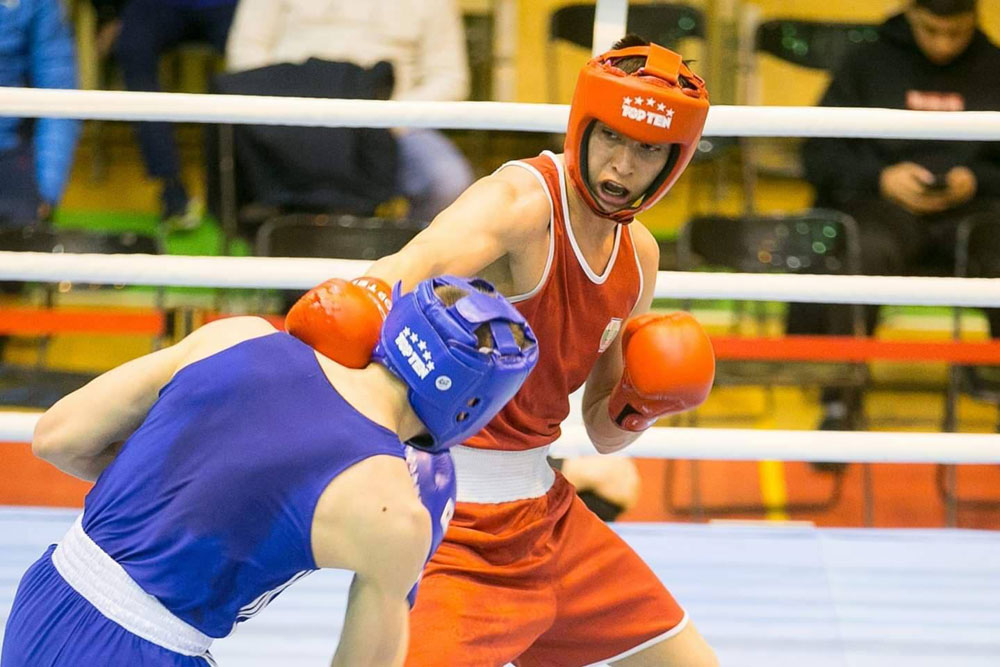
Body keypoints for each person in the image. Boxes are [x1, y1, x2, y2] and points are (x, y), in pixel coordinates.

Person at [306, 36, 720, 666]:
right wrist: (344, 319)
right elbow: (403, 270)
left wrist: (643, 404)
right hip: (454, 527)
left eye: (648, 149)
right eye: (611, 138)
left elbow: (602, 429)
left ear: (675, 160)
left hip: (548, 519)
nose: (622, 165)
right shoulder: (521, 202)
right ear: (583, 127)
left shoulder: (640, 258)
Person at [0, 274, 538, 666]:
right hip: (146, 649)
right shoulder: (393, 510)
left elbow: (58, 438)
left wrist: (183, 493)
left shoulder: (238, 335)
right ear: (473, 404)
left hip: (48, 594)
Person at [791, 0, 1000, 433]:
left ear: (975, 21)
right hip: (881, 211)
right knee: (860, 250)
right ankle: (840, 403)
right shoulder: (867, 61)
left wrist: (976, 180)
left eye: (956, 33)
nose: (943, 44)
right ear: (911, 16)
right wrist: (881, 178)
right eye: (931, 30)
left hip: (976, 214)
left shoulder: (994, 66)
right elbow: (819, 153)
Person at [224, 0, 475, 223]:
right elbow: (245, 54)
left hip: (392, 123)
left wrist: (390, 115)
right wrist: (287, 106)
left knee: (447, 181)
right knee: (239, 175)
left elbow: (450, 78)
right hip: (290, 121)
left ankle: (404, 255)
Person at [115, 0, 239, 228]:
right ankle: (171, 188)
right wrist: (108, 15)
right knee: (132, 47)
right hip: (157, 6)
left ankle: (245, 192)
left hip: (230, 6)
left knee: (253, 61)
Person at [0, 0, 80, 227]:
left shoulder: (39, 4)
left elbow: (58, 89)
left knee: (27, 232)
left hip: (11, 151)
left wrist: (46, 188)